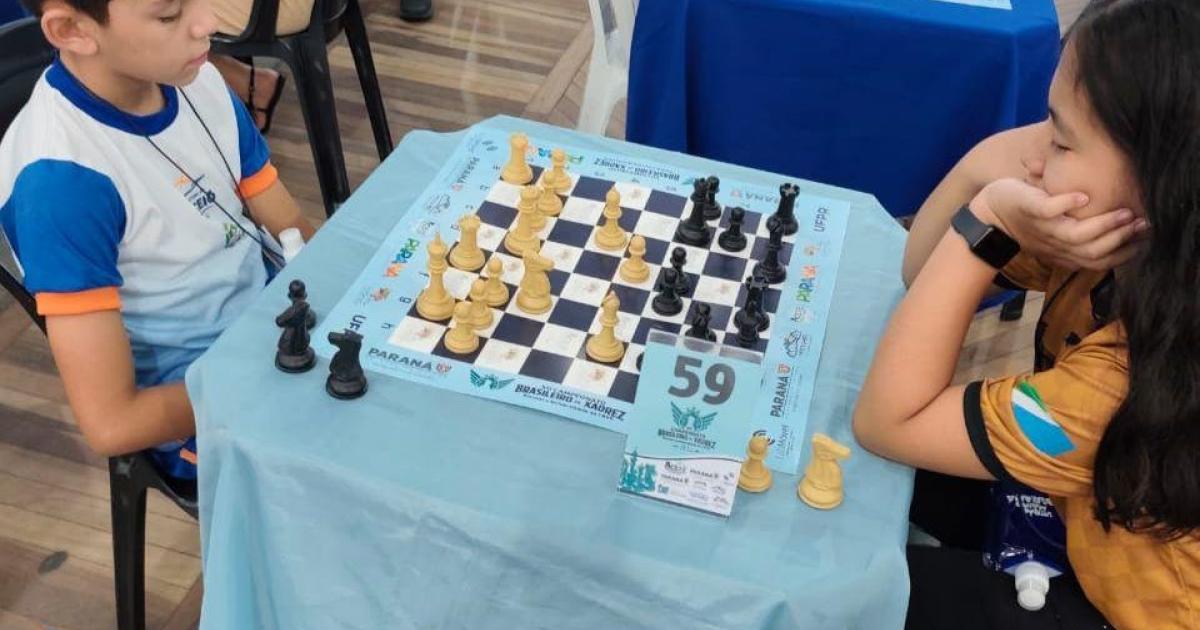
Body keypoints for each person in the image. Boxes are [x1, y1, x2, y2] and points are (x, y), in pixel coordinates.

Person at [853, 0, 1199, 627]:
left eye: (1061, 139)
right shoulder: (1127, 245)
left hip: (1123, 609)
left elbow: (887, 421)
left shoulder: (1122, 381)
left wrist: (988, 219)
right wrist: (983, 169)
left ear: (1159, 184)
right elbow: (920, 266)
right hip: (1084, 506)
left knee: (862, 597)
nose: (1034, 158)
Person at [0, 0, 315, 482]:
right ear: (71, 30)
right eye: (169, 15)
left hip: (279, 330)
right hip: (201, 403)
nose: (209, 23)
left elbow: (291, 227)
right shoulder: (61, 184)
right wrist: (278, 374)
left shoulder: (198, 79)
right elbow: (113, 424)